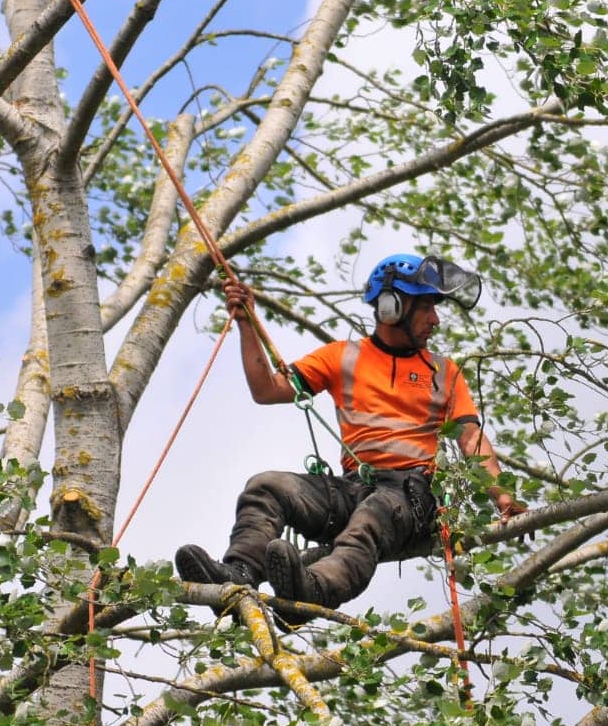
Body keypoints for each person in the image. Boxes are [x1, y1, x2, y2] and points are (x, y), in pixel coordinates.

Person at [175, 253, 526, 610]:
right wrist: (247, 324)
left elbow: (470, 438)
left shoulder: (443, 372)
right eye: (426, 308)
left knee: (372, 516)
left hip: (410, 497)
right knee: (267, 486)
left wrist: (504, 496)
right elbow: (267, 390)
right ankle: (238, 574)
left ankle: (316, 589)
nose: (435, 320)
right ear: (392, 306)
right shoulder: (342, 357)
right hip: (354, 487)